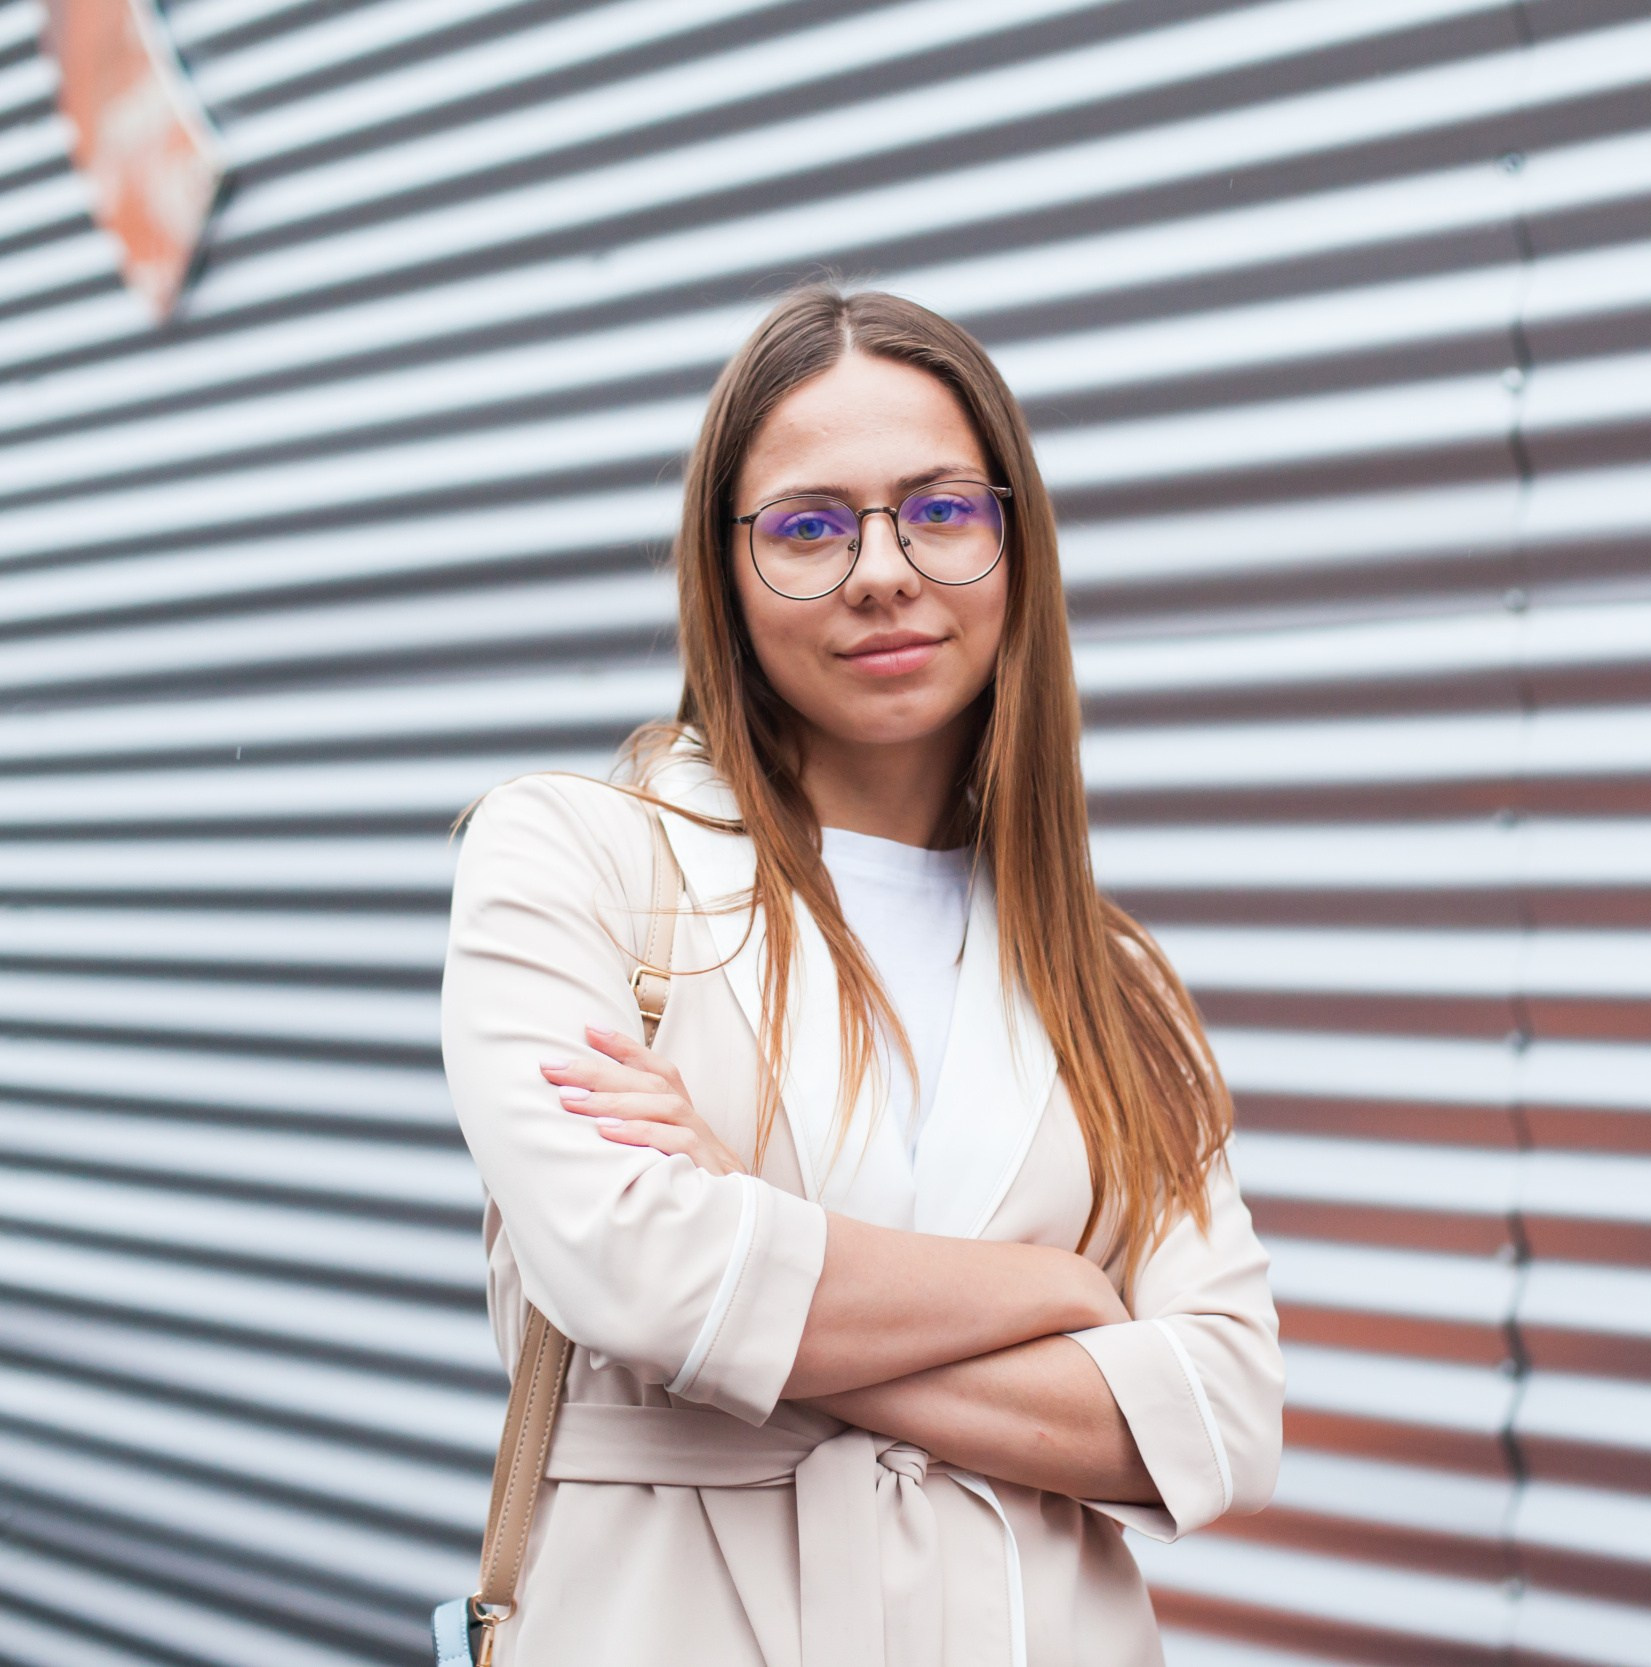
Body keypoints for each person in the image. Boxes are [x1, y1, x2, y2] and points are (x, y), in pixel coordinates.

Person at [440, 285, 1282, 1666]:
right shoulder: (577, 859)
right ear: (724, 571)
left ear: (1017, 549)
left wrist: (760, 1234)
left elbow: (1228, 1417)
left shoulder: (1113, 977)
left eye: (941, 510)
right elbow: (641, 1274)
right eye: (808, 527)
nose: (882, 569)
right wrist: (1061, 1300)